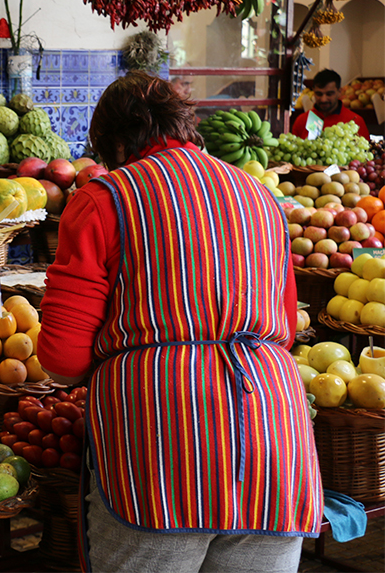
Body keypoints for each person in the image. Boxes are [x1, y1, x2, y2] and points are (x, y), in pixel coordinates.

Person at [36, 71, 323, 573]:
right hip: (274, 435)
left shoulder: (106, 198)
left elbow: (63, 357)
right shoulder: (261, 197)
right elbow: (287, 322)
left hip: (160, 440)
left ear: (119, 142)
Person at [291, 68, 369, 140]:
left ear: (339, 92)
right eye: (319, 94)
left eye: (329, 94)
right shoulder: (301, 121)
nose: (323, 99)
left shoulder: (356, 121)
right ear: (313, 92)